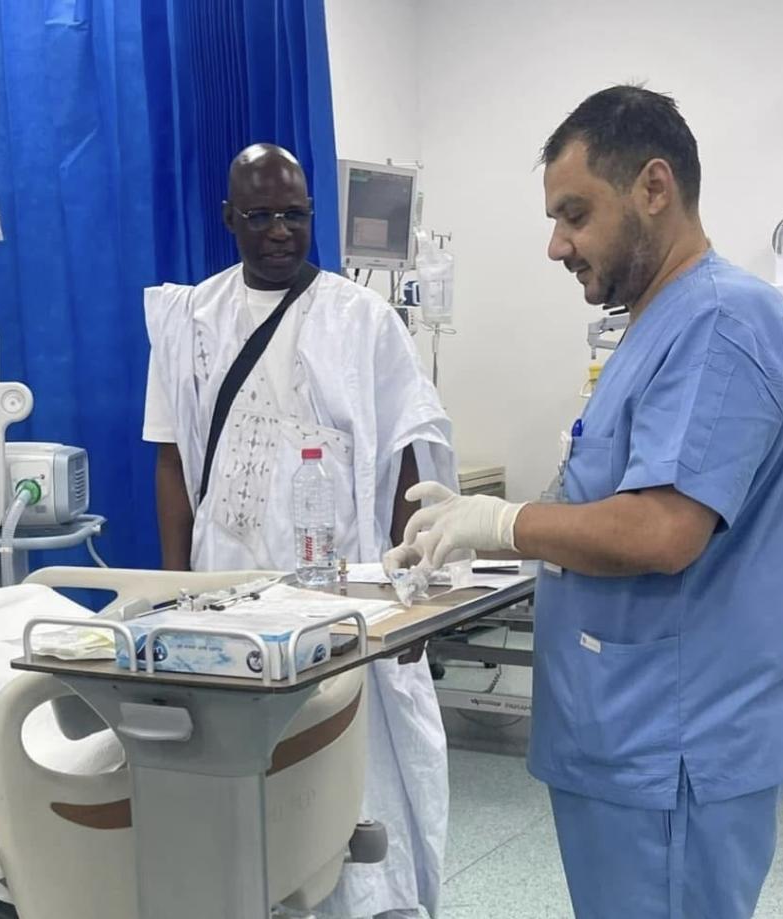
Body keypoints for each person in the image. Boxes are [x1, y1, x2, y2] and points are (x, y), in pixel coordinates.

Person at [386, 86, 783, 918]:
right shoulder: (657, 323)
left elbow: (662, 529)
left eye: (574, 215)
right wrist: (480, 532)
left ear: (654, 187)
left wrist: (505, 522)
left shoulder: (720, 322)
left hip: (673, 746)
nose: (557, 245)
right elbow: (607, 497)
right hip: (628, 736)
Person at [143, 143, 456, 918]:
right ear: (229, 218)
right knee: (244, 783)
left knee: (351, 777)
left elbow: (407, 451)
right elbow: (172, 462)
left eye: (294, 214)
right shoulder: (189, 320)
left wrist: (411, 587)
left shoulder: (363, 319)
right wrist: (176, 590)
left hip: (342, 592)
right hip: (226, 591)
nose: (279, 231)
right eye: (260, 216)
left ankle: (370, 904)